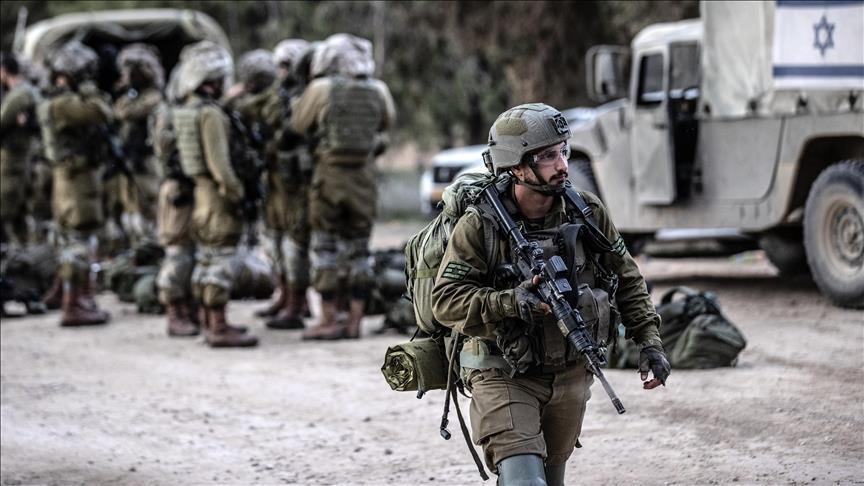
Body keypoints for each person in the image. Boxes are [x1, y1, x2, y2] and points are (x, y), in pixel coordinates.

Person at [431, 103, 671, 485]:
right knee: (525, 480)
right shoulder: (480, 224)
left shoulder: (586, 211)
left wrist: (649, 341)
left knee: (550, 478)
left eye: (564, 151)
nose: (562, 165)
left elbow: (626, 276)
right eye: (547, 156)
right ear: (516, 166)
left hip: (569, 371)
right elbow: (445, 301)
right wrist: (511, 302)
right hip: (502, 370)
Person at [291, 34, 396, 340]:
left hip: (329, 177)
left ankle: (328, 319)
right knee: (359, 251)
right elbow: (386, 124)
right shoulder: (379, 89)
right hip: (364, 179)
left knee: (325, 249)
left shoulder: (321, 89)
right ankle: (354, 321)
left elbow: (298, 124)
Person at [171, 41, 257, 347]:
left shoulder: (187, 109)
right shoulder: (210, 115)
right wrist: (237, 194)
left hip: (200, 195)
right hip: (217, 196)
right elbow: (220, 166)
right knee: (221, 259)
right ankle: (218, 326)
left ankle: (209, 321)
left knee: (206, 258)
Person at [36, 41, 113, 326]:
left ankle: (75, 297)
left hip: (70, 178)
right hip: (75, 180)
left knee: (72, 239)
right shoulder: (65, 103)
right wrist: (90, 89)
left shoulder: (56, 100)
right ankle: (73, 305)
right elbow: (103, 111)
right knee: (78, 240)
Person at [256, 39, 313, 330]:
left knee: (295, 244)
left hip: (298, 183)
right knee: (275, 241)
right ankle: (285, 294)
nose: (281, 71)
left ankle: (297, 302)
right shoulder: (276, 94)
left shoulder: (308, 94)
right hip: (276, 178)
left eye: (286, 65)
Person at [112, 43, 165, 245]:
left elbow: (125, 112)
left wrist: (128, 91)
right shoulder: (133, 95)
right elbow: (118, 111)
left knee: (150, 203)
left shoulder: (154, 96)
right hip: (131, 159)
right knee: (130, 206)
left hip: (146, 159)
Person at [0, 52, 42, 247]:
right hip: (20, 157)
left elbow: (2, 121)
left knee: (6, 209)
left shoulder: (19, 95)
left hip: (13, 158)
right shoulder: (26, 91)